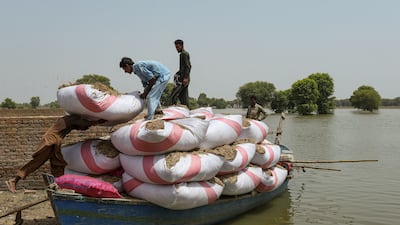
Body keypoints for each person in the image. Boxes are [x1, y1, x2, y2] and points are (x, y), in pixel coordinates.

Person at [5, 114, 105, 193]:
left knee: (58, 163)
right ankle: (14, 180)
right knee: (37, 162)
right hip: (51, 141)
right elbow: (83, 124)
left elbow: (80, 127)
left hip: (54, 142)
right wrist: (96, 122)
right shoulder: (72, 118)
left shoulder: (69, 119)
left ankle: (58, 185)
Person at [169, 39, 192, 108]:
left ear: (182, 46)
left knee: (173, 95)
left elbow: (188, 66)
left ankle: (173, 108)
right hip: (182, 78)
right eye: (176, 47)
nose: (176, 49)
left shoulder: (183, 54)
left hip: (183, 79)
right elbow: (187, 66)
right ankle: (186, 110)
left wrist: (186, 78)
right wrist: (177, 74)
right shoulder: (184, 54)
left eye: (177, 47)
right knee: (183, 97)